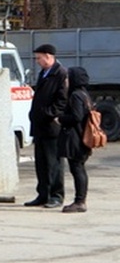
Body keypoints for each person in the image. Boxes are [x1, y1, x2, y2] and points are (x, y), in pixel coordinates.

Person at [26, 43, 69, 208]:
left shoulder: (61, 74)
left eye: (39, 58)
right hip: (39, 126)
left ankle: (56, 195)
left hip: (52, 126)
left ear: (49, 56)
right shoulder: (44, 73)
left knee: (54, 163)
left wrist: (48, 113)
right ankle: (43, 194)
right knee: (41, 163)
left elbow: (62, 100)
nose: (37, 61)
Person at [57, 67, 92, 213]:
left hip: (76, 138)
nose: (66, 81)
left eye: (68, 77)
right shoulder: (84, 94)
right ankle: (80, 200)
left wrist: (60, 119)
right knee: (79, 168)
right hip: (82, 137)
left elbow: (76, 117)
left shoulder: (76, 95)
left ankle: (80, 201)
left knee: (77, 168)